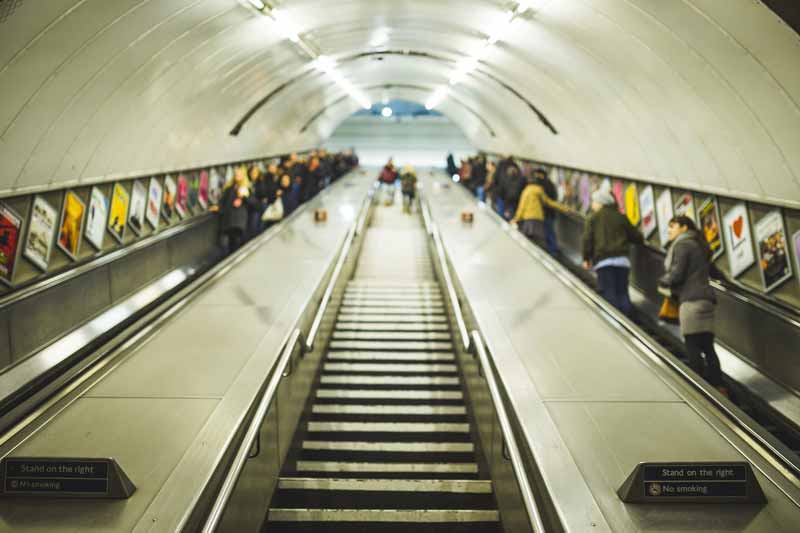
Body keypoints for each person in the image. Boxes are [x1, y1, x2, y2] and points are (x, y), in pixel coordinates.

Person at [659, 216, 725, 393]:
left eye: (672, 226)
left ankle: (699, 387)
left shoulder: (682, 244)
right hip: (707, 300)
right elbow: (715, 272)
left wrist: (663, 281)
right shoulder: (700, 245)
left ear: (683, 227)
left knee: (692, 345)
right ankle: (718, 386)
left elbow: (677, 274)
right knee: (707, 346)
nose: (669, 230)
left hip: (691, 300)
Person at [581, 188, 643, 316]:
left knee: (609, 294)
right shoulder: (620, 217)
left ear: (601, 202)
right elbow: (636, 237)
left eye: (594, 201)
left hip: (604, 261)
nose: (592, 204)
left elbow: (587, 239)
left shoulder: (593, 218)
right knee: (622, 293)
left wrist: (586, 258)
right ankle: (629, 321)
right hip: (622, 261)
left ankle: (615, 322)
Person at [511, 173, 571, 247]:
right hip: (537, 219)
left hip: (528, 220)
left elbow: (521, 207)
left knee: (528, 242)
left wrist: (516, 218)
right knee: (539, 242)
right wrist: (563, 208)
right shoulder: (539, 190)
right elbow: (548, 202)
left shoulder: (526, 191)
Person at [220, 166, 251, 255]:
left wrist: (243, 198)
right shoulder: (229, 188)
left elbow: (253, 203)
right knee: (226, 243)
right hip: (228, 220)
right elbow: (223, 201)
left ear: (243, 176)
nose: (237, 176)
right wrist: (219, 208)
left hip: (238, 222)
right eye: (236, 174)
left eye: (239, 175)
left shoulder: (246, 188)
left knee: (235, 242)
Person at [533, 168, 560, 256]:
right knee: (549, 231)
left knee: (548, 232)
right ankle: (552, 249)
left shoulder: (542, 185)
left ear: (541, 175)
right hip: (550, 212)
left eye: (537, 174)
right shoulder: (550, 184)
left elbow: (546, 200)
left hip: (545, 212)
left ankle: (553, 250)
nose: (536, 176)